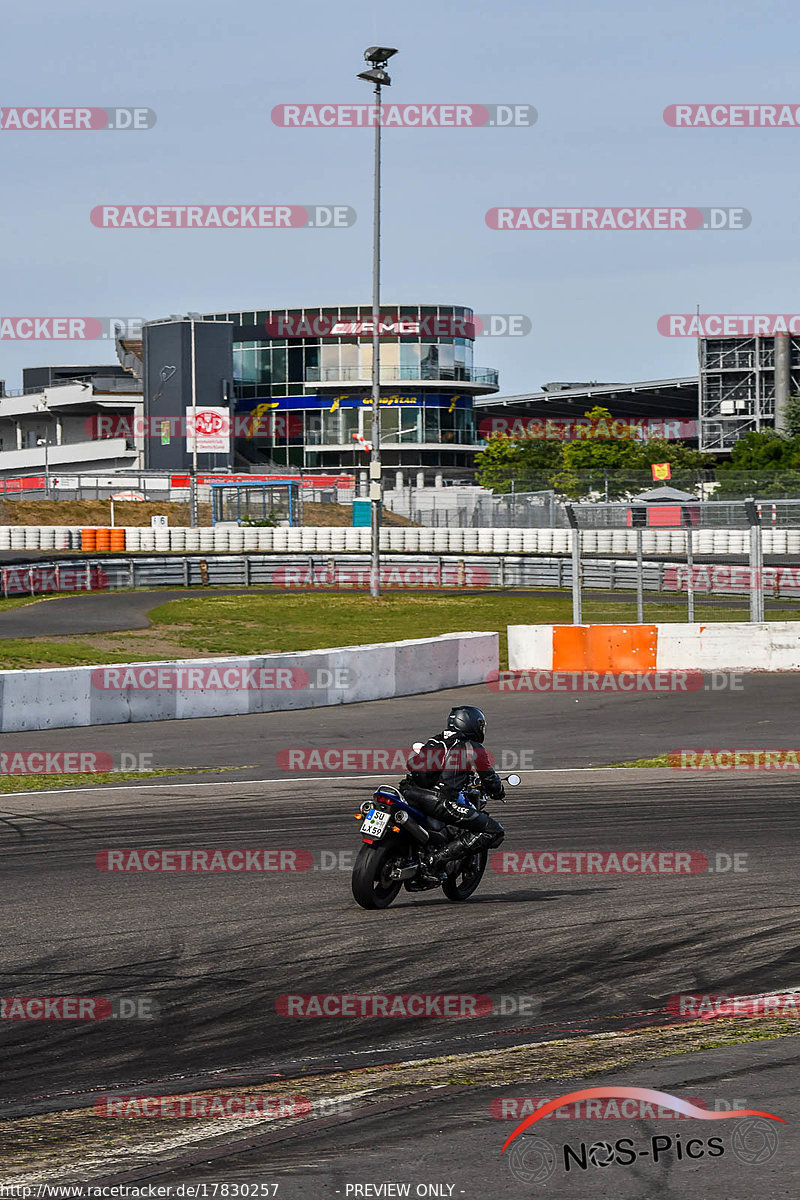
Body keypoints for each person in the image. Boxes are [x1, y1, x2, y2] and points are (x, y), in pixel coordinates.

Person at [399, 704, 505, 870]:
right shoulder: (472, 746)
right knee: (493, 831)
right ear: (470, 723)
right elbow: (489, 777)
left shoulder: (436, 739)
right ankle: (434, 860)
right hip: (438, 801)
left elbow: (412, 763)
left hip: (408, 792)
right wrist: (498, 791)